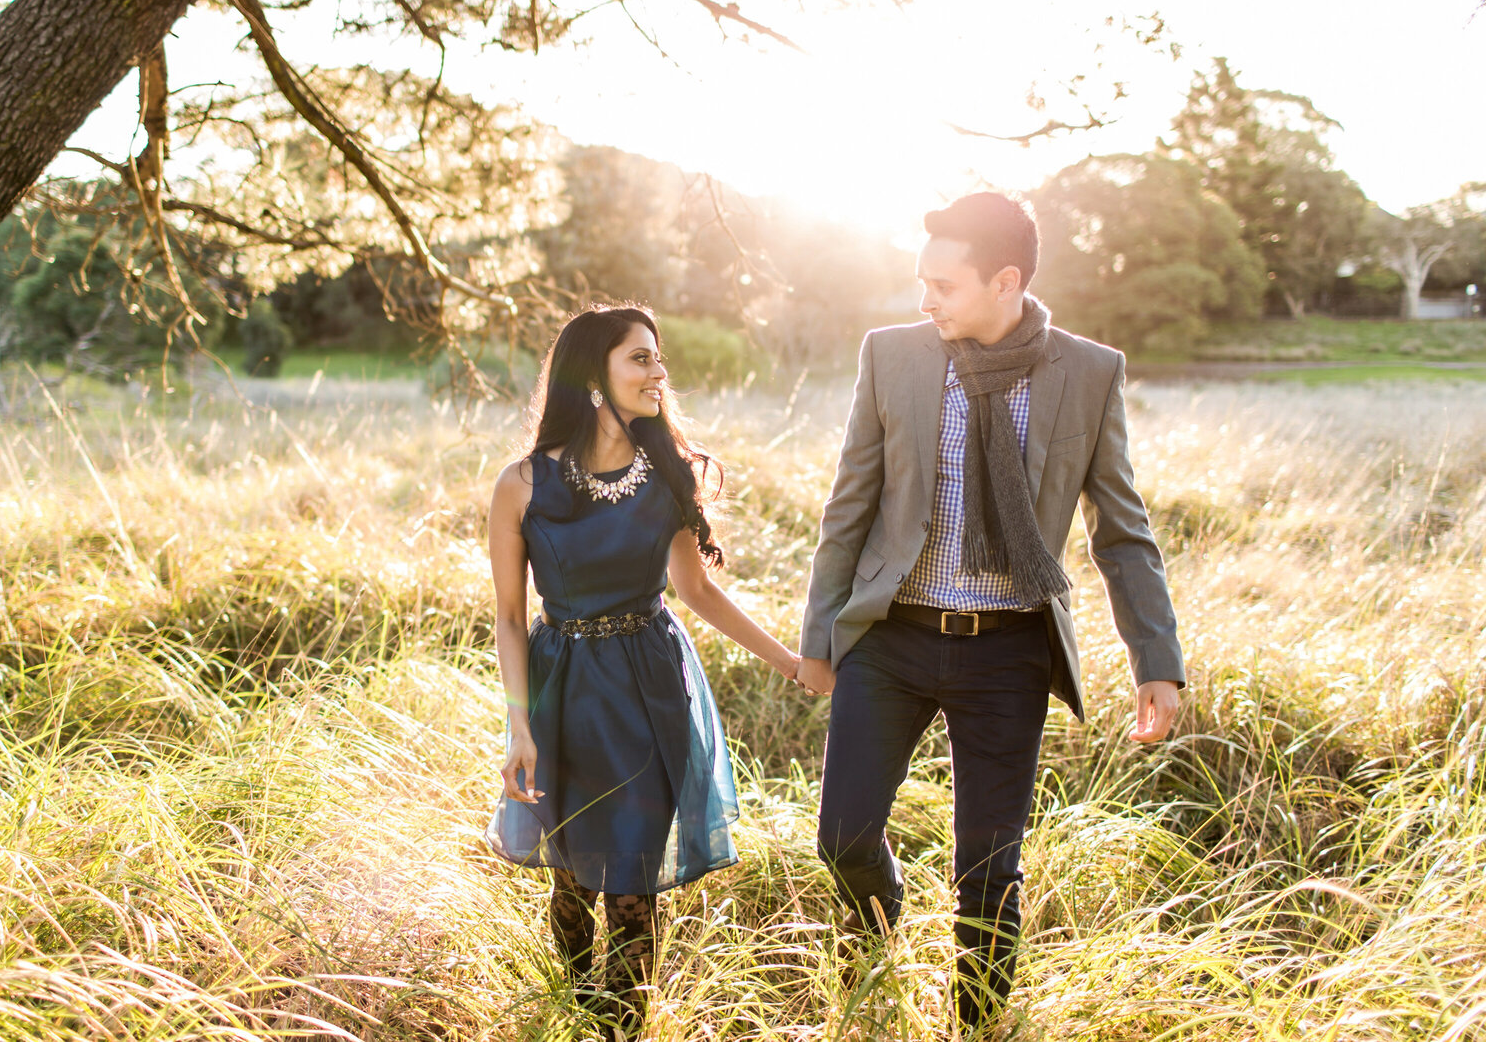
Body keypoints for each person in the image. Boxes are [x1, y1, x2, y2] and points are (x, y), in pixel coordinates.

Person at [796, 193, 1185, 1033]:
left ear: (1006, 280)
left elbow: (1122, 530)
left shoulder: (1088, 372)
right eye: (920, 281)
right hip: (890, 637)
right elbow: (848, 507)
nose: (925, 300)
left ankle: (974, 1024)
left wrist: (1155, 656)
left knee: (988, 869)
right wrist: (819, 638)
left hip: (1007, 651)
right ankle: (873, 965)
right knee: (844, 839)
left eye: (943, 283)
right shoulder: (892, 355)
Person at [485, 304, 801, 1037]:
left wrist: (790, 663)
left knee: (632, 890)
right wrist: (519, 726)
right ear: (594, 377)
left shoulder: (668, 474)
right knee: (571, 885)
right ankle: (577, 1007)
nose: (659, 372)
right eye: (640, 359)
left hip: (650, 692)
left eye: (659, 358)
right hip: (564, 693)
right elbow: (507, 617)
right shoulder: (522, 485)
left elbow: (698, 592)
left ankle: (620, 1028)